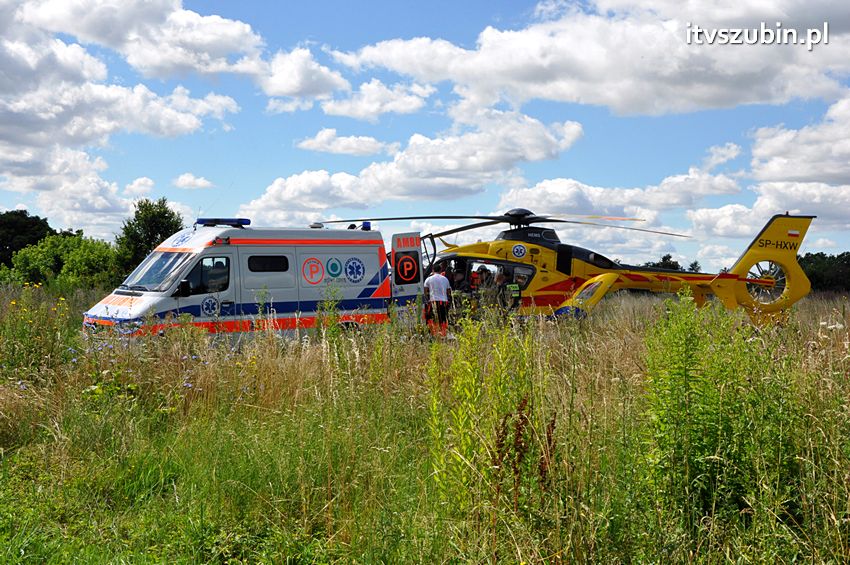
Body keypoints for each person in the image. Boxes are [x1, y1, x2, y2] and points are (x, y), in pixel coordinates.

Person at [423, 263, 451, 336]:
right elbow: (448, 292)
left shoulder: (428, 279)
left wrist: (427, 298)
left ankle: (433, 334)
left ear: (432, 270)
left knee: (432, 319)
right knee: (443, 319)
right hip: (444, 302)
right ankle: (443, 334)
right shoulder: (445, 279)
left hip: (433, 302)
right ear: (441, 270)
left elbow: (425, 291)